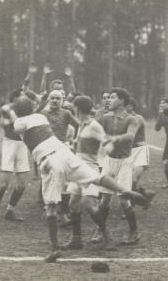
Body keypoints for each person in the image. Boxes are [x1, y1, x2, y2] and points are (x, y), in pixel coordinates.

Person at [10, 96, 151, 262]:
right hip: (66, 154)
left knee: (52, 206)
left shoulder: (27, 120)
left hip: (51, 160)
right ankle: (125, 192)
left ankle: (55, 248)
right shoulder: (41, 117)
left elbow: (17, 128)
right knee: (82, 194)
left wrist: (11, 116)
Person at [61, 95, 117, 251]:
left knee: (87, 204)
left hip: (90, 169)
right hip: (78, 169)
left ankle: (108, 237)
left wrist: (108, 163)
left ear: (78, 108)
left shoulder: (94, 125)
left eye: (73, 106)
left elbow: (108, 144)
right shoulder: (82, 125)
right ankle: (76, 240)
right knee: (73, 204)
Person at [95, 88, 147, 245]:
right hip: (109, 161)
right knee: (104, 200)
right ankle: (100, 230)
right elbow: (94, 129)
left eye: (112, 97)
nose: (109, 100)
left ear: (122, 101)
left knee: (124, 201)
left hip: (125, 162)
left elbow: (130, 136)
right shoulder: (105, 118)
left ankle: (134, 232)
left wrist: (114, 139)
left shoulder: (132, 119)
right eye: (108, 97)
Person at [0, 89, 32, 223]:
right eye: (21, 98)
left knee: (22, 185)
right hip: (9, 145)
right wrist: (11, 110)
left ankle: (10, 211)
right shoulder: (8, 111)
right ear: (15, 99)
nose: (25, 100)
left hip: (23, 146)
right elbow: (3, 120)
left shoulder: (27, 112)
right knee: (3, 184)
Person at [39, 90, 80, 227]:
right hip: (46, 149)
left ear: (62, 100)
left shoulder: (66, 113)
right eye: (52, 98)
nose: (55, 100)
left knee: (64, 181)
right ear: (48, 100)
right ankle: (49, 209)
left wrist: (75, 140)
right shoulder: (42, 114)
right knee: (49, 179)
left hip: (62, 148)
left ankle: (62, 214)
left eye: (58, 98)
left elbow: (79, 125)